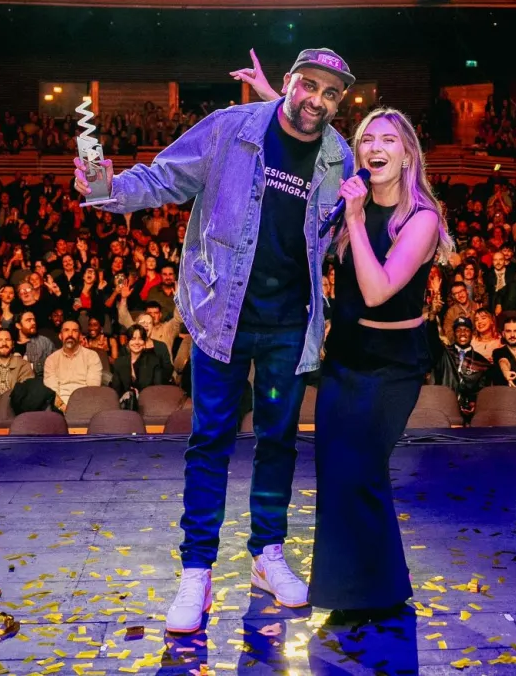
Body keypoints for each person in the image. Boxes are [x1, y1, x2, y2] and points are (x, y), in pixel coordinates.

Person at [74, 47, 354, 634]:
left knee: (278, 441)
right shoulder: (231, 129)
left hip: (288, 327)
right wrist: (105, 189)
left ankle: (266, 555)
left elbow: (335, 238)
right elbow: (163, 177)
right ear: (289, 83)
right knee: (210, 442)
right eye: (311, 86)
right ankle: (196, 571)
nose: (318, 101)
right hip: (219, 316)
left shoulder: (337, 156)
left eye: (332, 95)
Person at [308, 108, 452, 619]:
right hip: (345, 356)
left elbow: (377, 289)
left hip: (393, 363)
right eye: (367, 138)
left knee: (363, 471)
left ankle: (380, 591)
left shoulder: (422, 219)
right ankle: (351, 591)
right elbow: (314, 140)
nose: (376, 146)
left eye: (389, 138)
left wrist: (353, 220)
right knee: (336, 471)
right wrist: (271, 99)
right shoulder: (354, 200)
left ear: (408, 153)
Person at [436, 315, 492, 420]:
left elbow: (482, 389)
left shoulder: (481, 362)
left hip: (469, 414)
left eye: (466, 330)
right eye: (458, 330)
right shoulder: (444, 353)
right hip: (443, 407)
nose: (462, 333)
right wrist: (433, 316)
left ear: (472, 333)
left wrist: (474, 403)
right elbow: (432, 339)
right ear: (454, 333)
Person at [43, 319, 103, 410]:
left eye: (75, 331)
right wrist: (63, 408)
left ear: (80, 336)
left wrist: (79, 409)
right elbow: (52, 391)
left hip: (86, 404)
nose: (70, 334)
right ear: (60, 336)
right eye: (66, 330)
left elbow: (92, 389)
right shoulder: (51, 360)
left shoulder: (92, 356)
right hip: (58, 407)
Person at [111, 323, 164, 403]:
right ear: (128, 342)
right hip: (125, 406)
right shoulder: (119, 362)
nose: (137, 342)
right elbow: (116, 391)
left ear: (144, 342)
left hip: (149, 404)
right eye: (133, 339)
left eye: (140, 339)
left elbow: (157, 390)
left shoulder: (154, 361)